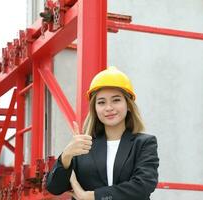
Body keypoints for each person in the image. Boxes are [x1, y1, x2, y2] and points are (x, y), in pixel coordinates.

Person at [46, 66, 159, 200]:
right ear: (95, 109)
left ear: (128, 105)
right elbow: (55, 188)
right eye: (101, 102)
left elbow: (143, 186)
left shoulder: (144, 143)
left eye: (116, 100)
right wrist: (66, 156)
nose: (109, 108)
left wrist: (93, 196)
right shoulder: (83, 146)